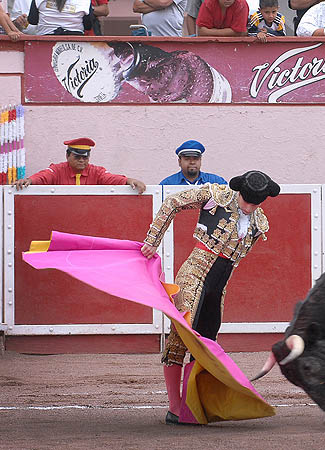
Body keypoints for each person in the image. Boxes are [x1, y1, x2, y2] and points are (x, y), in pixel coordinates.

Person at [140, 170, 280, 425]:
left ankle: (192, 407)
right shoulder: (215, 195)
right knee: (181, 337)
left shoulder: (260, 222)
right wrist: (152, 240)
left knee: (206, 344)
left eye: (255, 203)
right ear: (239, 192)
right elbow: (172, 202)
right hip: (194, 274)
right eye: (246, 200)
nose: (249, 207)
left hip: (219, 286)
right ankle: (174, 408)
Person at [12, 138, 146, 193]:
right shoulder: (57, 170)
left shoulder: (97, 172)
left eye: (85, 157)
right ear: (67, 156)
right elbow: (43, 176)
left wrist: (130, 180)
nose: (82, 160)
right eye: (77, 157)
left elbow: (112, 179)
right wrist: (29, 180)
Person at [159, 140, 227, 186]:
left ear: (200, 160)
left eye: (196, 159)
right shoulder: (168, 184)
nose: (192, 162)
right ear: (179, 162)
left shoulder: (216, 182)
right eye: (187, 159)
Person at [27, 0, 93, 35]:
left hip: (45, 41)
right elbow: (88, 26)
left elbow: (32, 21)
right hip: (75, 41)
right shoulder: (85, 1)